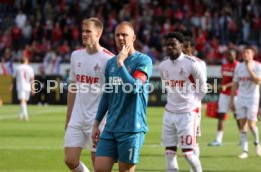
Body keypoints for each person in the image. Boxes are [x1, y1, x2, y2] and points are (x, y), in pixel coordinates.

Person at [91, 21, 153, 172]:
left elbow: (133, 88)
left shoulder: (143, 61)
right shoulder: (110, 63)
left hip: (131, 129)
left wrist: (121, 63)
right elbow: (107, 94)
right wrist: (96, 123)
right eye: (117, 35)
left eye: (124, 34)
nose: (120, 38)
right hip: (110, 128)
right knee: (99, 169)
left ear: (133, 37)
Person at [64, 17, 114, 172]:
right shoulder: (75, 56)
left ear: (98, 33)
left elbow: (113, 94)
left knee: (98, 164)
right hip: (77, 118)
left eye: (88, 31)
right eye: (83, 31)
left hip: (99, 120)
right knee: (70, 160)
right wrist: (68, 117)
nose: (84, 34)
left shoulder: (109, 59)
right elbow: (73, 87)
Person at [159, 32, 207, 172]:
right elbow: (167, 85)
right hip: (169, 113)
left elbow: (202, 88)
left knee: (187, 153)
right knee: (169, 153)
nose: (170, 47)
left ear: (181, 45)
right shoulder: (163, 65)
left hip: (187, 114)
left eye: (173, 44)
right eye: (167, 45)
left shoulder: (192, 64)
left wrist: (192, 102)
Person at [230, 46, 261, 159]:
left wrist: (249, 68)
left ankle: (257, 143)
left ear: (252, 54)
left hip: (253, 98)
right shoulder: (238, 67)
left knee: (252, 125)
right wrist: (231, 100)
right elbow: (234, 84)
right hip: (241, 98)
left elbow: (258, 81)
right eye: (244, 53)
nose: (245, 54)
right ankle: (245, 151)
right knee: (242, 125)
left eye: (247, 52)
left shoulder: (258, 66)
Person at [182, 36, 206, 168]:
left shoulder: (199, 63)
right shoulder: (175, 62)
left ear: (192, 48)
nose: (183, 49)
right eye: (182, 46)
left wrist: (195, 101)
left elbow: (202, 85)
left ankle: (194, 168)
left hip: (193, 106)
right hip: (177, 108)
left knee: (194, 138)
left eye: (186, 46)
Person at [208, 49, 239, 146]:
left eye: (230, 54)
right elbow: (223, 80)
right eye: (227, 55)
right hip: (224, 94)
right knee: (221, 115)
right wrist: (221, 86)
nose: (228, 56)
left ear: (235, 56)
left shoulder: (238, 66)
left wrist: (227, 86)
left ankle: (243, 139)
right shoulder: (224, 66)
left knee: (238, 117)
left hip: (235, 94)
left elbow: (238, 81)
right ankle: (218, 140)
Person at [14, 57, 34, 121]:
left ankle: (22, 114)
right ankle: (25, 115)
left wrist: (11, 85)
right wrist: (33, 88)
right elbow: (32, 79)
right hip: (27, 86)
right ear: (26, 61)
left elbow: (14, 77)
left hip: (20, 85)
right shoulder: (30, 68)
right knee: (24, 100)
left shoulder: (17, 67)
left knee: (23, 101)